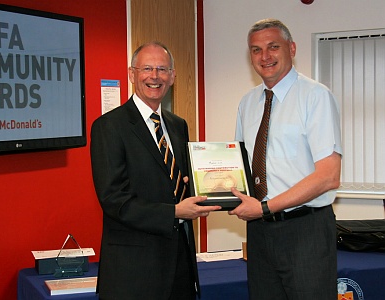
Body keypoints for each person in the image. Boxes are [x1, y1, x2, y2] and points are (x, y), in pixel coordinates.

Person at [90, 41, 221, 300]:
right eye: (147, 68)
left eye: (162, 69)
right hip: (134, 273)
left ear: (172, 76)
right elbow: (114, 200)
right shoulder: (109, 126)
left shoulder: (178, 125)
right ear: (132, 74)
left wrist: (202, 193)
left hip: (179, 267)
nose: (154, 76)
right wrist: (174, 212)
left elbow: (177, 184)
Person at [229, 19, 342, 299]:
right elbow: (240, 166)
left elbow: (329, 175)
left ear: (291, 48)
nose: (264, 56)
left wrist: (266, 208)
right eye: (256, 50)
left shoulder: (315, 96)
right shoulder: (247, 103)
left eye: (273, 47)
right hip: (260, 233)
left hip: (306, 231)